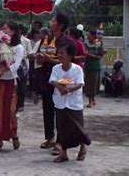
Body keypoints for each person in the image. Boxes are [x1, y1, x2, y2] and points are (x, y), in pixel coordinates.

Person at [35, 12, 72, 155]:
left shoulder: (66, 41)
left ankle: (61, 142)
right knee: (47, 108)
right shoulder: (47, 39)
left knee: (61, 110)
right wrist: (39, 58)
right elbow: (40, 58)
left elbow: (67, 61)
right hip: (46, 77)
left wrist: (49, 60)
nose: (50, 22)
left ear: (61, 25)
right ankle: (50, 137)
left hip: (61, 79)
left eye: (54, 20)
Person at [49, 43, 91, 163]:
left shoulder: (77, 69)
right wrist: (60, 87)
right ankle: (64, 153)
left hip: (73, 102)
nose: (60, 55)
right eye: (59, 53)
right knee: (62, 128)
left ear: (70, 55)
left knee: (77, 127)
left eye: (63, 53)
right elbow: (52, 80)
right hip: (60, 101)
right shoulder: (56, 68)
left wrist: (68, 89)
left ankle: (83, 147)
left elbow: (80, 83)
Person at [0, 21, 23, 152]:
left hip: (9, 83)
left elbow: (15, 67)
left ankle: (14, 135)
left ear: (13, 31)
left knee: (10, 111)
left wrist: (3, 68)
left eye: (6, 29)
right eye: (2, 29)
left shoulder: (18, 48)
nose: (3, 32)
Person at [84, 30, 104, 108]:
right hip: (88, 65)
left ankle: (93, 98)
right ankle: (90, 101)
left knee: (94, 83)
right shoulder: (86, 44)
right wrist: (95, 56)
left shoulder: (99, 44)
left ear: (93, 36)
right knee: (88, 83)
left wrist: (102, 43)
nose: (88, 37)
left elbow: (101, 54)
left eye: (89, 35)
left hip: (96, 66)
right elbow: (85, 53)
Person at [17, 23, 32, 112]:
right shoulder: (10, 40)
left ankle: (21, 104)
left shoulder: (26, 41)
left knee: (22, 85)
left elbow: (29, 53)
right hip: (14, 63)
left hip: (23, 64)